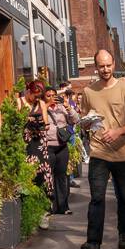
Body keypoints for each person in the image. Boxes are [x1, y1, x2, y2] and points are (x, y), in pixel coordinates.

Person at [79, 49, 125, 249]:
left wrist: (117, 131)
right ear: (95, 66)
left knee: (124, 198)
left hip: (123, 154)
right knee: (97, 198)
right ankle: (93, 243)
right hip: (99, 152)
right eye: (101, 66)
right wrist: (86, 123)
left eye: (108, 65)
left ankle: (123, 232)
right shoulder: (88, 92)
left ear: (113, 64)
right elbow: (84, 118)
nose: (105, 70)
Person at [20, 80, 53, 229]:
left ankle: (44, 212)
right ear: (29, 91)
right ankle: (29, 213)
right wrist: (27, 122)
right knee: (28, 179)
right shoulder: (19, 102)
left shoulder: (41, 104)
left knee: (43, 177)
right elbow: (13, 122)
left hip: (40, 144)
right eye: (34, 95)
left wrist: (41, 124)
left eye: (39, 96)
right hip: (26, 145)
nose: (36, 99)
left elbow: (46, 124)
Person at [44, 86, 72, 215]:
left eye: (53, 95)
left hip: (62, 146)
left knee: (61, 176)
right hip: (48, 146)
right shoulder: (42, 108)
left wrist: (67, 106)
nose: (51, 98)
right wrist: (46, 105)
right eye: (48, 95)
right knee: (49, 177)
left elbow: (76, 120)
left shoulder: (62, 108)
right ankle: (50, 207)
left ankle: (63, 206)